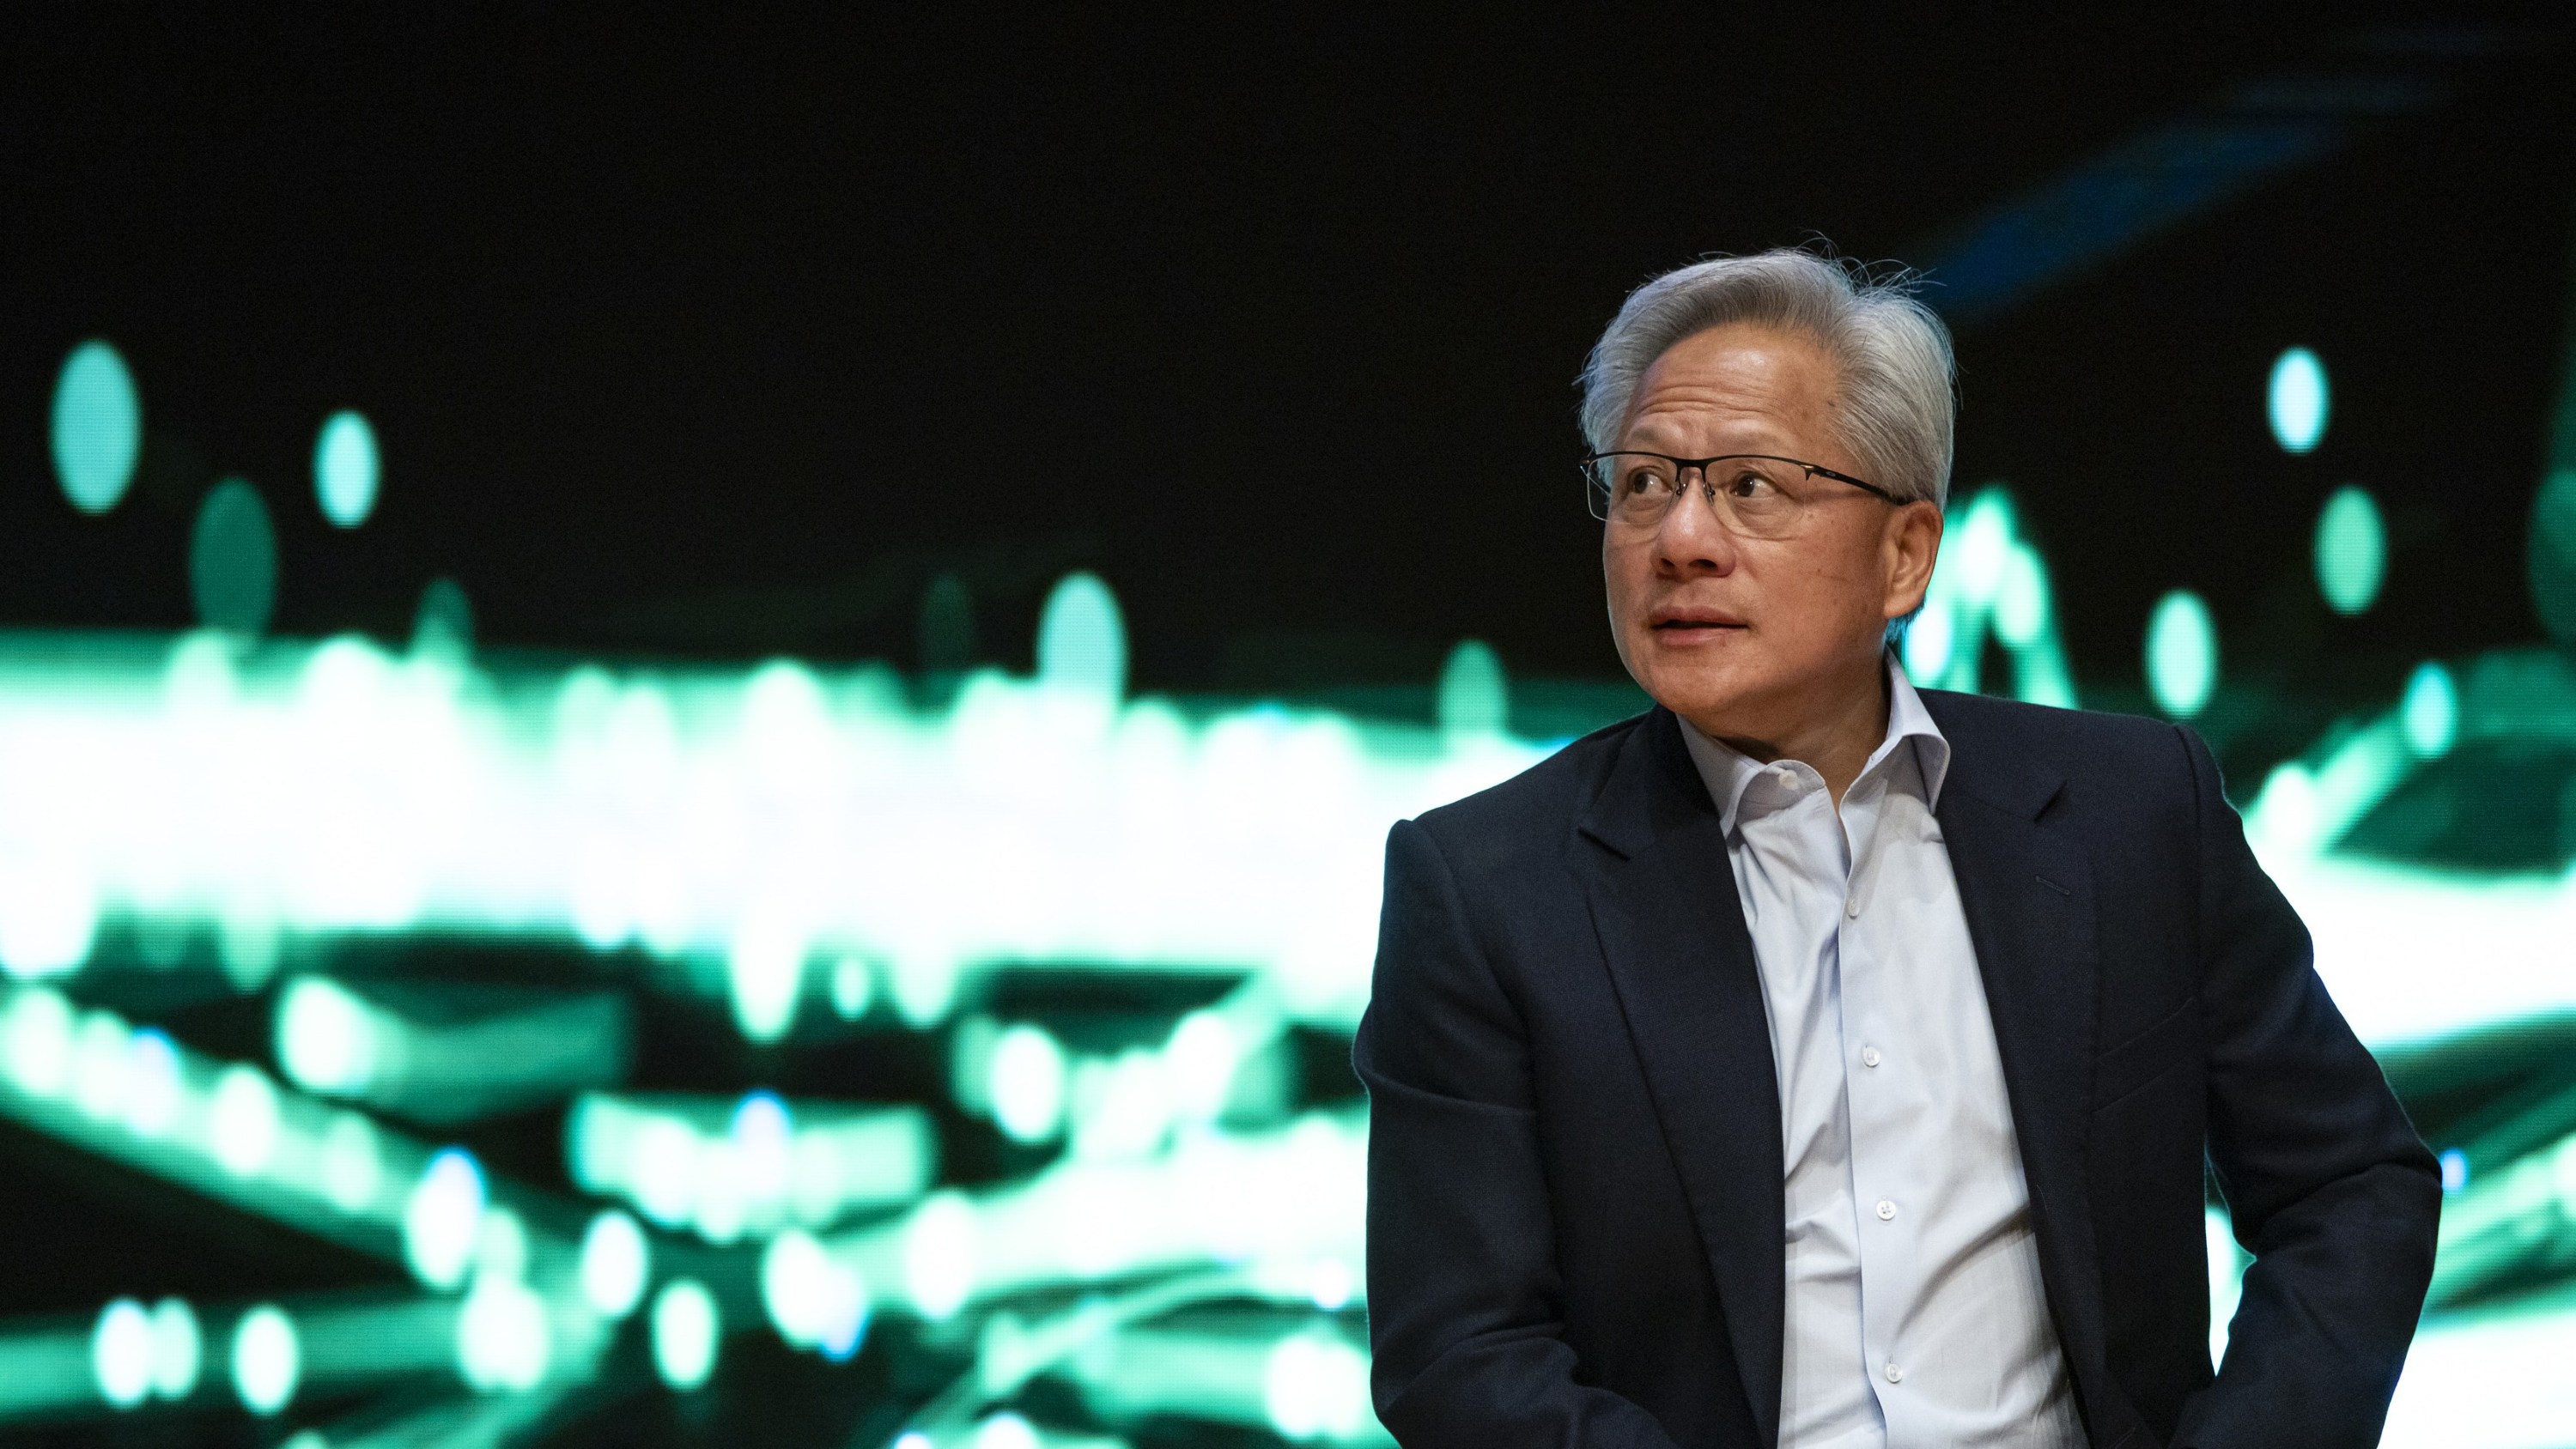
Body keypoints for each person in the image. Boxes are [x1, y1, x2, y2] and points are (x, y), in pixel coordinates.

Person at [1355, 248, 2439, 1449]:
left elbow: (2350, 1188)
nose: (1681, 539)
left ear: (1906, 555)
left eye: (1752, 487)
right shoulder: (1487, 890)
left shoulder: (2132, 812)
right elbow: (1458, 1354)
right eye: (1646, 482)